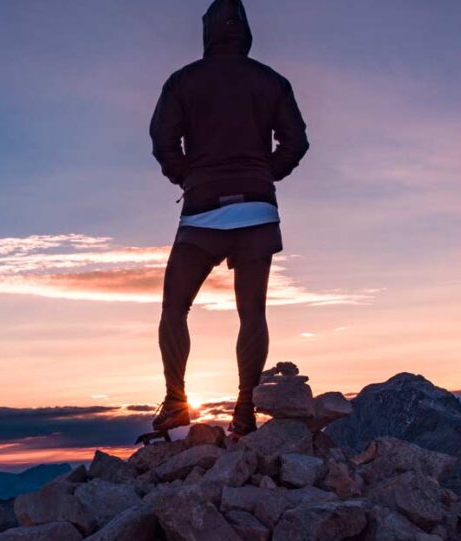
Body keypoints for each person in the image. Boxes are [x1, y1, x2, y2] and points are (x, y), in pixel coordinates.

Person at [148, 0, 309, 438]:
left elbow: (162, 139)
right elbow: (296, 141)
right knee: (252, 312)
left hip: (203, 208)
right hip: (257, 208)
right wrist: (265, 173)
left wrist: (187, 176)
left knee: (175, 306)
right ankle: (244, 409)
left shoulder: (183, 81)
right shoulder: (271, 81)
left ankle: (176, 402)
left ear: (207, 31)